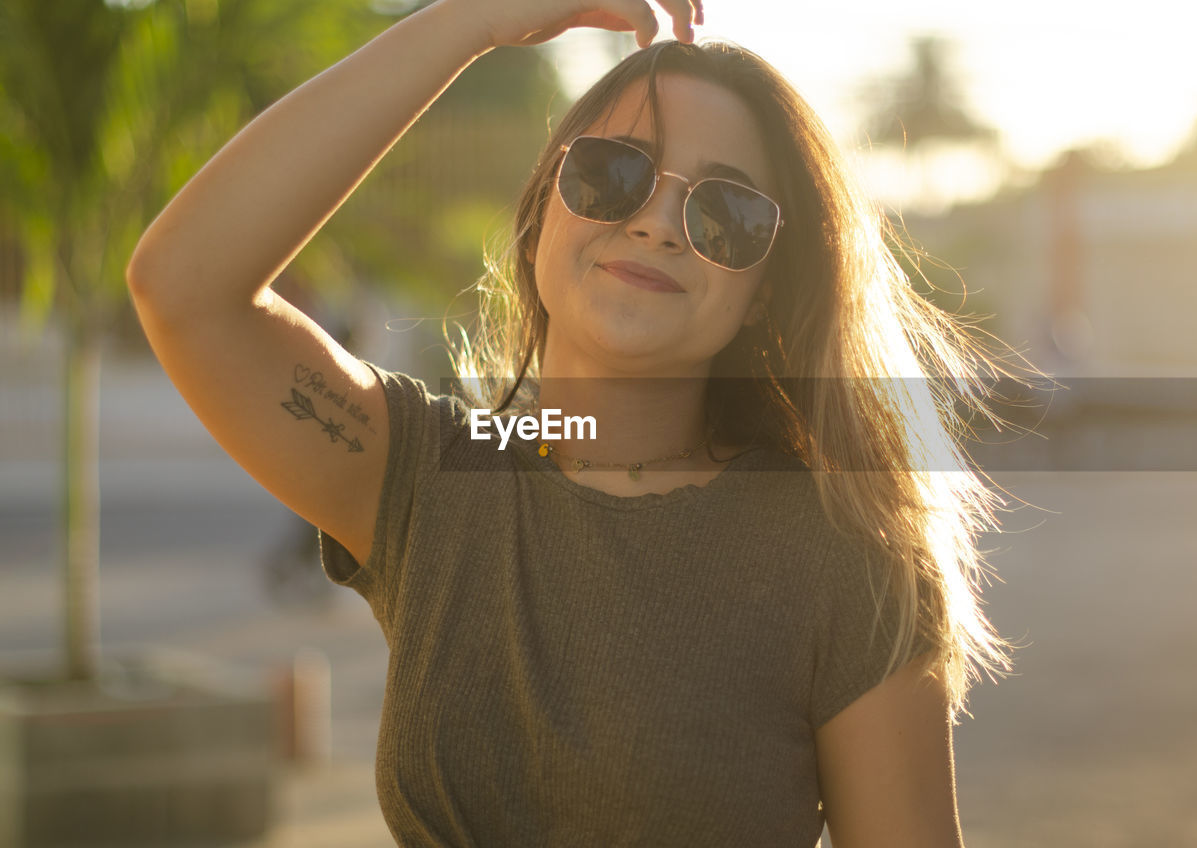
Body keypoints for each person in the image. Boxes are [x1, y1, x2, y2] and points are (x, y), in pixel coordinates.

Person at [127, 0, 1019, 844]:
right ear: (537, 218)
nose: (661, 224)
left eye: (728, 212)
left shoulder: (847, 555)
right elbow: (183, 287)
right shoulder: (437, 479)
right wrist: (472, 21)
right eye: (612, 171)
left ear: (762, 298)